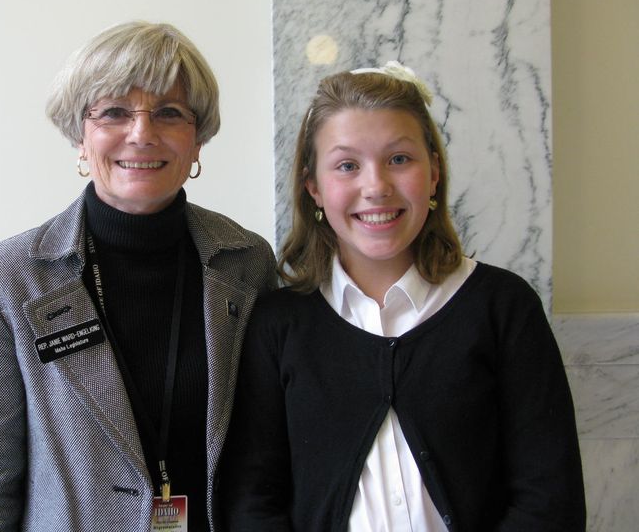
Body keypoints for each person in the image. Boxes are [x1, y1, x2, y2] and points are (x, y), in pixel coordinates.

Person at [220, 62, 586, 531]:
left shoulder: (502, 307)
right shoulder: (278, 325)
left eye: (399, 159)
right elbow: (253, 501)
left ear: (434, 172)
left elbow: (549, 498)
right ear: (314, 187)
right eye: (347, 165)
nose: (376, 187)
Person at [0, 21, 277, 532]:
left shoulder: (246, 262)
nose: (142, 133)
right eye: (115, 113)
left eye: (168, 113)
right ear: (81, 135)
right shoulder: (10, 278)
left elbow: (267, 450)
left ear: (197, 141)